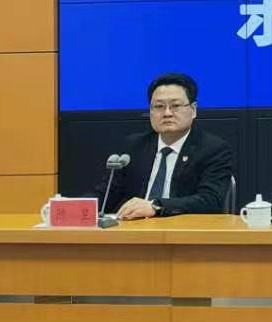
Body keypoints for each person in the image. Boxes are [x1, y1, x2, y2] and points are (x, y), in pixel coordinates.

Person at [99, 73, 235, 219]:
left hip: (183, 229)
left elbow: (210, 201)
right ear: (150, 111)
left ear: (193, 110)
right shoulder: (134, 147)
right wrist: (81, 206)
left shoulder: (213, 149)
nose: (167, 113)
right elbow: (106, 194)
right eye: (159, 106)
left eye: (175, 106)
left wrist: (156, 206)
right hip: (135, 228)